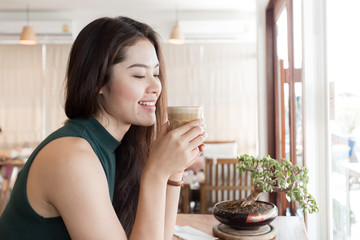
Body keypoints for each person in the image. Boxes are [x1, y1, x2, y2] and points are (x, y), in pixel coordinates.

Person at [0, 16, 206, 240]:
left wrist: (173, 172)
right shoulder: (72, 156)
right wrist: (155, 174)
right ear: (98, 82)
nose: (156, 86)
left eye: (156, 74)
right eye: (139, 74)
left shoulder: (116, 148)